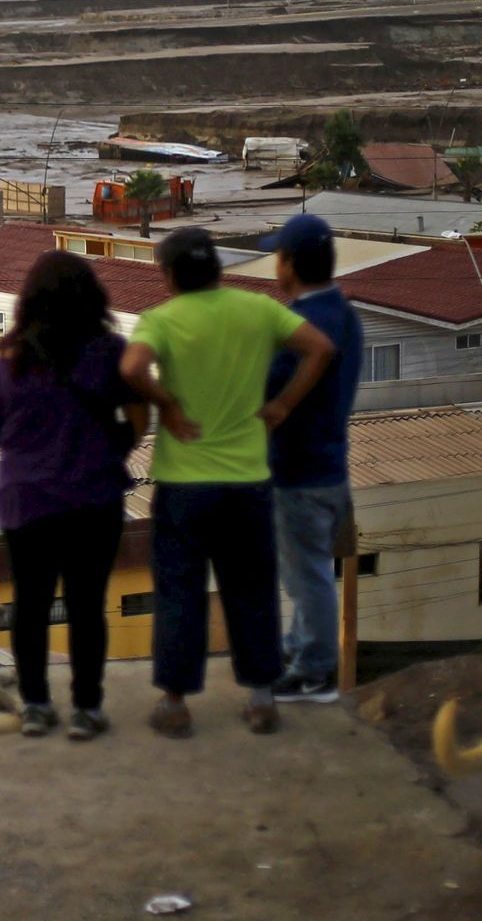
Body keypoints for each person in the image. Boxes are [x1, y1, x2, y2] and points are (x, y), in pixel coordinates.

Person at [120, 226, 335, 739]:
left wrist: (166, 404)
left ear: (170, 274)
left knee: (179, 590)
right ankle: (261, 700)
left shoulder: (162, 319)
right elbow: (320, 348)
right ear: (216, 267)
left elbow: (130, 369)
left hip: (183, 485)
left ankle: (174, 705)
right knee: (252, 588)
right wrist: (283, 403)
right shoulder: (257, 309)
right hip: (247, 482)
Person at [0, 251, 147, 741]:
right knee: (86, 605)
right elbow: (139, 419)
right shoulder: (111, 351)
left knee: (30, 605)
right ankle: (87, 709)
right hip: (93, 500)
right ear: (91, 296)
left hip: (26, 502)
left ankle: (35, 705)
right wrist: (112, 445)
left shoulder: (9, 362)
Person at [261, 214, 363, 705]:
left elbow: (268, 395)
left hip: (300, 468)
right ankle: (300, 651)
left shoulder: (303, 329)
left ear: (291, 265)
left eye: (277, 255)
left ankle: (315, 671)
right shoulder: (346, 314)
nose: (273, 265)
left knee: (308, 576)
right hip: (331, 461)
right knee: (308, 568)